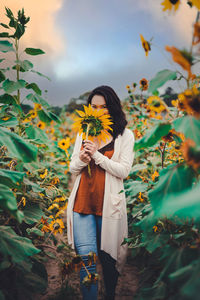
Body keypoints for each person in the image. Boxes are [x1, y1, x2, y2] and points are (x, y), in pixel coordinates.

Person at [67, 85, 135, 300]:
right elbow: (72, 168)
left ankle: (110, 295)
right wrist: (82, 159)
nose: (97, 111)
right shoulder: (84, 131)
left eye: (103, 107)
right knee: (86, 261)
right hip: (83, 203)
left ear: (112, 107)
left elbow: (124, 171)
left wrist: (96, 156)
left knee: (108, 261)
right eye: (93, 107)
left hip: (109, 206)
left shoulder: (125, 135)